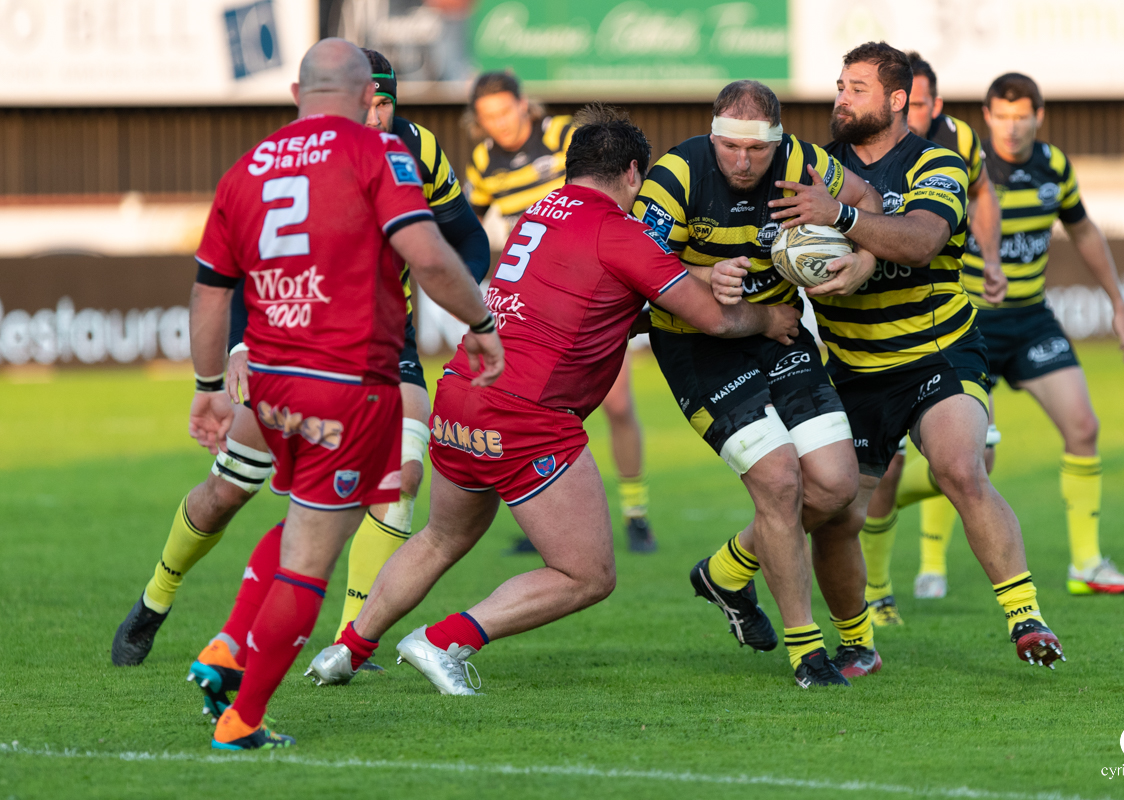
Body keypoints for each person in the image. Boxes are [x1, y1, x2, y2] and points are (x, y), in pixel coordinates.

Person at [303, 104, 804, 694]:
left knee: (441, 537)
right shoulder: (618, 231)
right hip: (526, 415)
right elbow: (713, 321)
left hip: (462, 397)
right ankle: (443, 641)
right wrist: (770, 317)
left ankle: (346, 650)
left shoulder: (540, 211)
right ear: (634, 174)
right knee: (587, 573)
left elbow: (589, 303)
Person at [109, 49, 490, 668]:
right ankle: (157, 598)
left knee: (402, 477)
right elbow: (234, 271)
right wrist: (237, 348)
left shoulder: (414, 149)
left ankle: (346, 643)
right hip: (293, 346)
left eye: (386, 103)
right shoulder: (289, 158)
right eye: (368, 101)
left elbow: (463, 236)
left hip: (384, 346)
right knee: (229, 490)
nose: (375, 114)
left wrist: (469, 301)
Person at [183, 38, 501, 749]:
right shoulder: (375, 152)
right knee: (314, 555)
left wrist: (209, 386)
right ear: (366, 96)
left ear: (297, 93)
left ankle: (232, 639)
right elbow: (427, 251)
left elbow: (209, 294)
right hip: (349, 382)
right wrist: (479, 321)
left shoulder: (247, 168)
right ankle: (242, 715)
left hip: (269, 381)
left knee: (306, 518)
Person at [792, 42, 1064, 669]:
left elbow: (922, 239)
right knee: (835, 515)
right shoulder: (813, 168)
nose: (841, 97)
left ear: (896, 100)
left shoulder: (935, 164)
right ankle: (858, 644)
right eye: (839, 85)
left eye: (856, 87)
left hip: (937, 353)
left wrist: (843, 220)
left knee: (960, 469)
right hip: (854, 371)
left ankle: (1026, 620)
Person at [635, 80, 887, 685]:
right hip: (698, 345)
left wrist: (864, 259)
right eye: (729, 148)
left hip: (778, 331)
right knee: (778, 481)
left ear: (777, 140)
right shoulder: (676, 175)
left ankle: (725, 571)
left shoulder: (801, 161)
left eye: (756, 150)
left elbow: (870, 202)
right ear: (713, 135)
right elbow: (636, 262)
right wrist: (702, 269)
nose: (742, 163)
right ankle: (807, 651)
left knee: (834, 487)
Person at [465, 71, 657, 553]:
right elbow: (468, 229)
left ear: (524, 105)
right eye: (489, 116)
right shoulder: (483, 162)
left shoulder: (561, 138)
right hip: (534, 299)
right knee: (537, 405)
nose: (500, 123)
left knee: (614, 402)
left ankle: (636, 515)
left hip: (589, 287)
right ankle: (544, 514)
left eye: (506, 111)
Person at [968, 72, 1124, 595]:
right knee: (975, 458)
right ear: (988, 116)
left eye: (1023, 116)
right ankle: (923, 565)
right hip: (969, 323)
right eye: (1004, 116)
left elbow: (1083, 229)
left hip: (1031, 320)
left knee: (1083, 427)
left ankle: (1085, 566)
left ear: (1038, 116)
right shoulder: (965, 165)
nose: (1013, 127)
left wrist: (1116, 302)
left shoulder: (1054, 166)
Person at [856, 50, 1006, 621]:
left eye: (921, 104)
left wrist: (988, 256)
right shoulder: (848, 156)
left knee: (968, 464)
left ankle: (934, 568)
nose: (912, 114)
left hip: (943, 325)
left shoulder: (955, 145)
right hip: (865, 344)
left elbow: (981, 193)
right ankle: (877, 593)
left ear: (930, 104)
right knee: (882, 472)